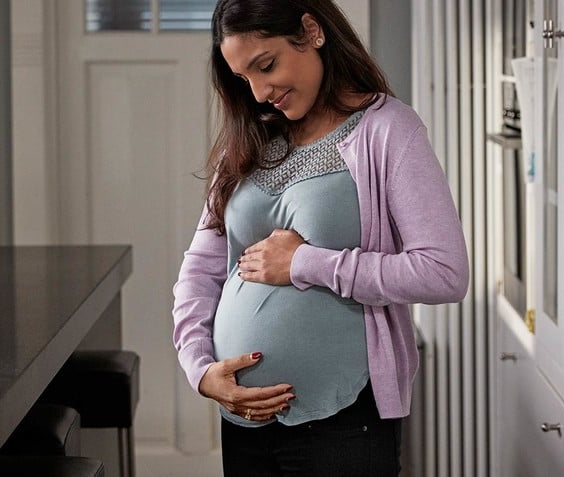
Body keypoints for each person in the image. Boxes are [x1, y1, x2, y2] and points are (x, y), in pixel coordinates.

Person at [172, 1, 468, 475]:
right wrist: (202, 370)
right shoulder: (246, 141)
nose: (260, 91)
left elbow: (443, 272)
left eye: (266, 65)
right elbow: (201, 270)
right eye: (244, 78)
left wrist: (307, 263)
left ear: (312, 31)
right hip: (244, 419)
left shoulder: (388, 130)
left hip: (345, 424)